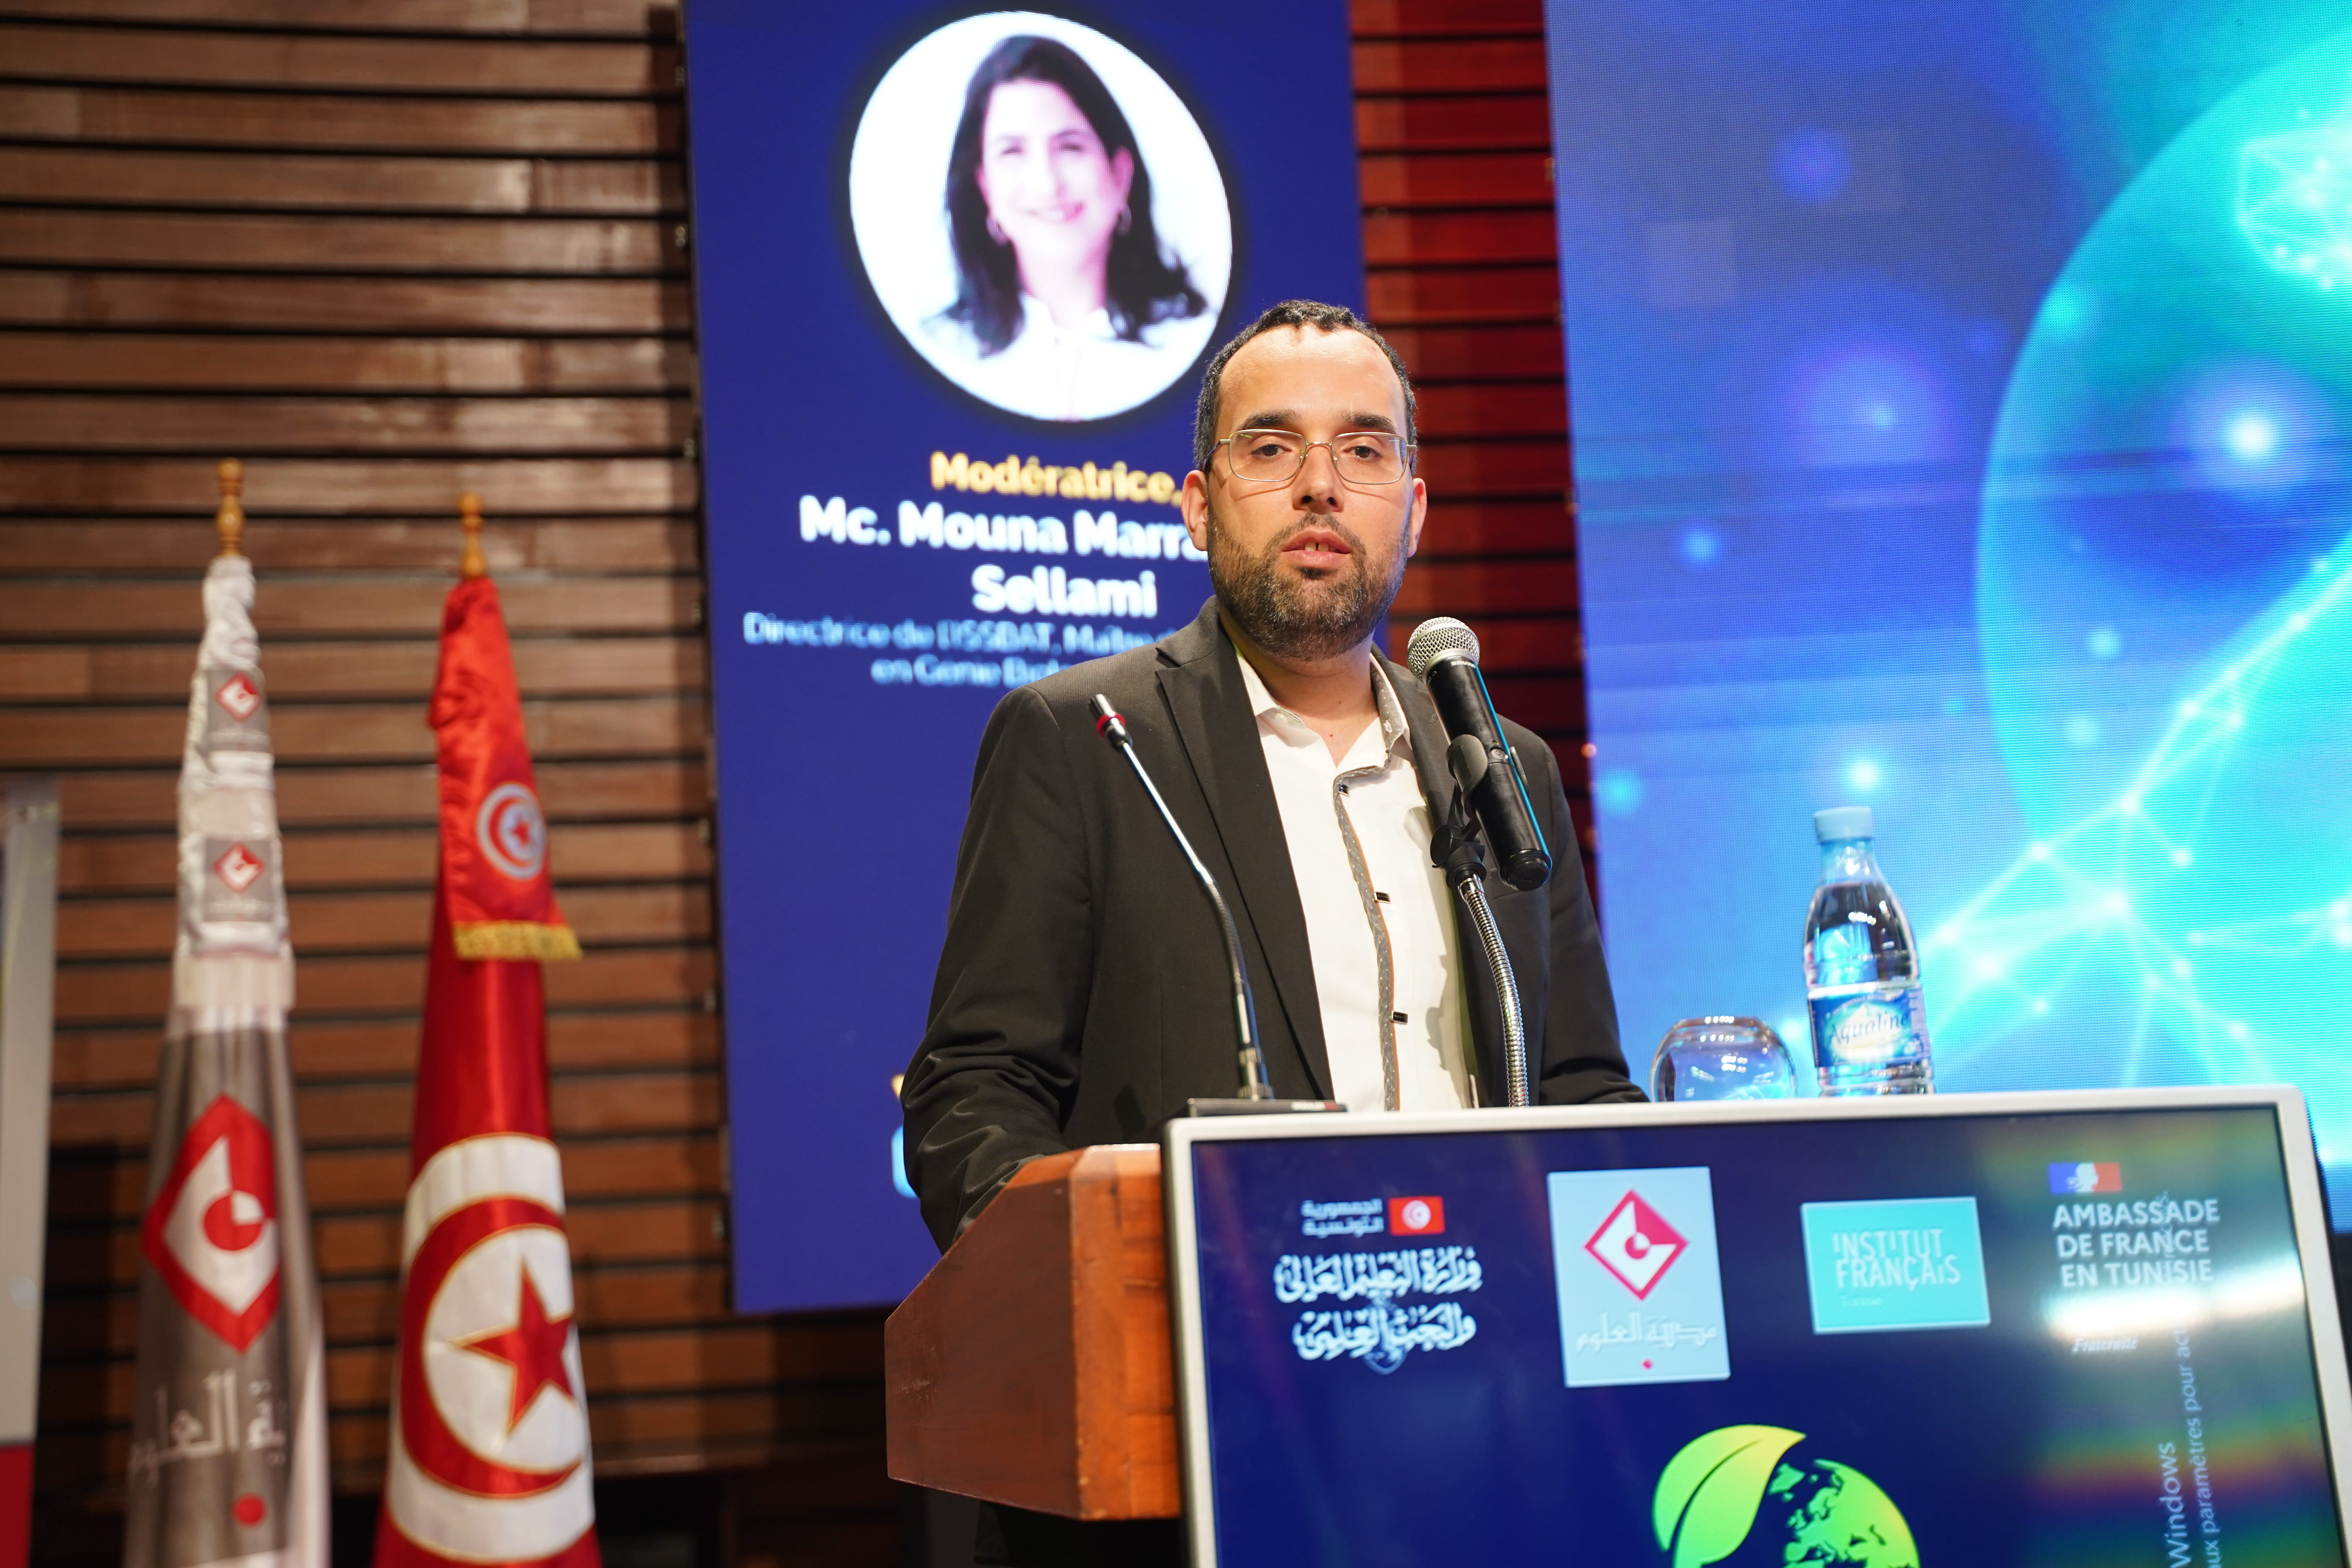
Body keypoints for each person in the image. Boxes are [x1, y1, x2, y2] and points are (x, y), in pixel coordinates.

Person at [900, 300, 1642, 1564]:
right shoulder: (1087, 740)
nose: (1319, 485)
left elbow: (1578, 1084)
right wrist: (1098, 1296)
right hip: (1212, 1427)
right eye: (1270, 447)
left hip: (1491, 1419)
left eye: (1364, 449)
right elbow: (975, 1091)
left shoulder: (1500, 765)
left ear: (1414, 507)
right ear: (1199, 506)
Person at [929, 34, 1211, 421]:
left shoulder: (1202, 348)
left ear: (1120, 173)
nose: (1046, 184)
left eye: (1070, 147)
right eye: (1012, 152)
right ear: (985, 186)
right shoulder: (941, 350)